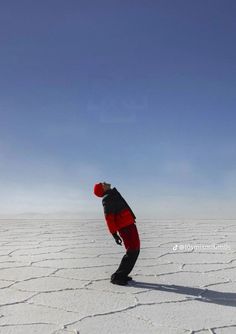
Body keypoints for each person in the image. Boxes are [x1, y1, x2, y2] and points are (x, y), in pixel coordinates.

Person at [93, 182, 140, 285]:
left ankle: (122, 274)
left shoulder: (111, 194)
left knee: (135, 250)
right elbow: (109, 218)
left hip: (129, 224)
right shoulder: (107, 198)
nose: (104, 182)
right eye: (102, 184)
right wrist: (114, 234)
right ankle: (117, 277)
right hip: (125, 227)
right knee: (133, 251)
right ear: (102, 189)